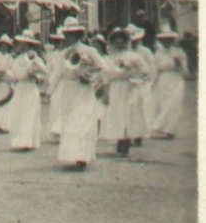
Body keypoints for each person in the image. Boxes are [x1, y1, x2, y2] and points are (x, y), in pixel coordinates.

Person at [54, 17, 108, 171]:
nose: (70, 37)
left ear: (79, 34)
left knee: (83, 121)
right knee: (70, 121)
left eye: (73, 34)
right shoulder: (63, 53)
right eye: (67, 34)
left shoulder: (89, 50)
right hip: (69, 91)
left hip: (84, 90)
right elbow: (57, 73)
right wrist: (50, 90)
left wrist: (90, 74)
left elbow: (104, 67)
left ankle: (82, 157)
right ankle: (72, 155)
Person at [98, 27, 150, 157]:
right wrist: (105, 93)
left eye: (122, 42)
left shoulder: (133, 57)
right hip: (115, 88)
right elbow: (105, 77)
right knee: (117, 115)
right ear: (113, 43)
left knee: (128, 115)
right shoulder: (108, 59)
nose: (119, 44)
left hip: (129, 88)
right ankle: (119, 142)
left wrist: (134, 77)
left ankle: (126, 143)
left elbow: (146, 71)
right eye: (117, 42)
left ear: (126, 42)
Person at [5, 30, 47, 151]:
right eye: (21, 43)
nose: (21, 45)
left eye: (24, 43)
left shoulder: (36, 58)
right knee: (19, 113)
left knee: (30, 113)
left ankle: (28, 141)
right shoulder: (17, 59)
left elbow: (43, 73)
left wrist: (36, 76)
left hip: (30, 88)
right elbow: (15, 74)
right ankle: (20, 140)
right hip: (20, 88)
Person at [150, 26, 189, 139]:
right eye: (164, 40)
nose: (167, 42)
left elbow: (185, 70)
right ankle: (163, 127)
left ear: (172, 40)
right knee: (164, 103)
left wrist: (179, 64)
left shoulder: (179, 52)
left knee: (174, 104)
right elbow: (155, 68)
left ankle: (171, 130)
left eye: (169, 39)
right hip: (164, 79)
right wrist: (153, 82)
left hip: (176, 79)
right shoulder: (158, 53)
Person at [129, 24, 156, 146]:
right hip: (129, 83)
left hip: (142, 83)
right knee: (130, 109)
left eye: (135, 40)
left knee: (141, 109)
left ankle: (139, 135)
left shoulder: (146, 52)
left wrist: (147, 79)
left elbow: (151, 67)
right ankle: (129, 134)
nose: (133, 42)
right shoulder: (126, 51)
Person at [45, 28, 68, 141]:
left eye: (62, 41)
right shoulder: (52, 55)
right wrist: (50, 82)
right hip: (55, 82)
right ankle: (56, 131)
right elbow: (49, 69)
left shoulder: (69, 52)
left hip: (66, 81)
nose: (60, 43)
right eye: (58, 41)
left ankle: (64, 130)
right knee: (55, 105)